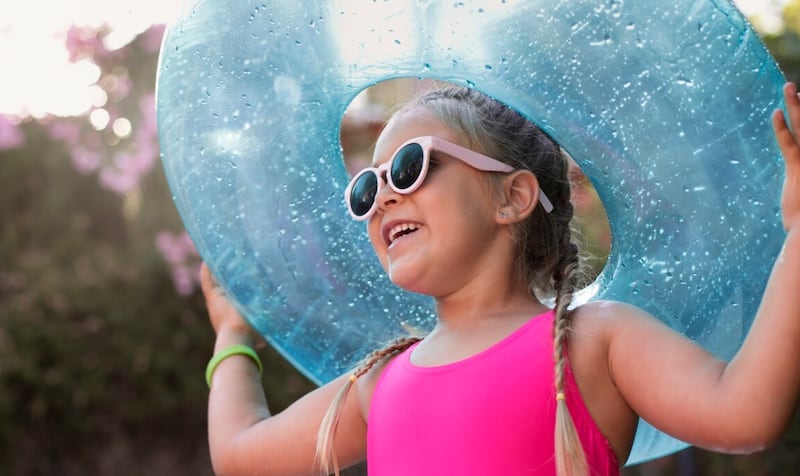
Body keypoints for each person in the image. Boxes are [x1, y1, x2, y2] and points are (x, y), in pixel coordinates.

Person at [200, 82, 800, 476]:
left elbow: (745, 412)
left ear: (512, 197)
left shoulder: (591, 344)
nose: (381, 197)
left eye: (409, 168)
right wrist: (232, 336)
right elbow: (237, 456)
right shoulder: (378, 384)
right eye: (367, 187)